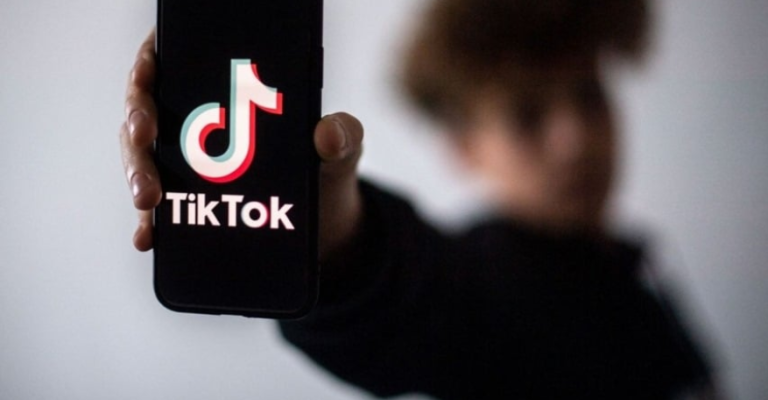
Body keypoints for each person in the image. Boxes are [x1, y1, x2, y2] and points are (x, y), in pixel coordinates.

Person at [120, 0, 720, 398]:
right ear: (465, 149)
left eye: (588, 96)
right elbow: (412, 298)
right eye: (526, 116)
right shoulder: (488, 283)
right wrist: (330, 238)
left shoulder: (632, 264)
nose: (575, 139)